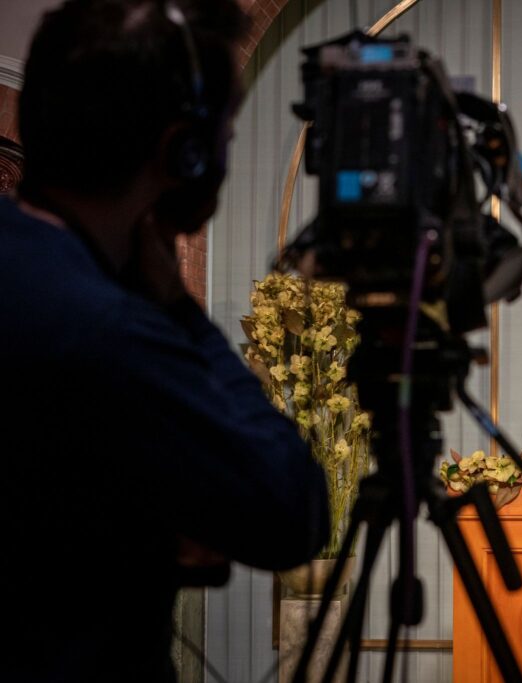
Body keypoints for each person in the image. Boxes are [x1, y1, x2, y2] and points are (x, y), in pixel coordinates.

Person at [0, 1, 329, 680]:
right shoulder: (110, 330)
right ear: (185, 152)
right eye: (224, 137)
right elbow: (291, 509)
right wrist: (180, 310)